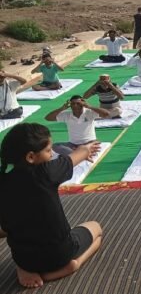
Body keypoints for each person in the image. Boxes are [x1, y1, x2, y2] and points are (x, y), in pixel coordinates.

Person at [0, 123, 103, 289]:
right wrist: (86, 149)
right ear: (31, 157)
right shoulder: (46, 172)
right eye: (49, 151)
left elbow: (4, 229)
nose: (52, 154)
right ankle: (72, 265)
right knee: (96, 228)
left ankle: (23, 268)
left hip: (23, 257)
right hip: (60, 255)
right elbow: (76, 156)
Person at [44, 95, 110, 155]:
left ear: (83, 104)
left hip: (89, 143)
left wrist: (89, 106)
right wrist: (62, 108)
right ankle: (79, 154)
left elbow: (106, 114)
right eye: (73, 104)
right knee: (55, 146)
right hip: (73, 145)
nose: (75, 105)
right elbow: (48, 118)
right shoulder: (67, 115)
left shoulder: (89, 112)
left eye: (78, 103)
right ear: (70, 105)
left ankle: (78, 153)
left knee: (91, 146)